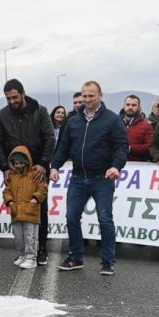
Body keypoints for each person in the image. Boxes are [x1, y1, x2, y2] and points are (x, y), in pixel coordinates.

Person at [50, 81, 128, 275]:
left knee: (104, 219)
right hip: (77, 178)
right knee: (71, 217)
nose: (87, 99)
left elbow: (121, 146)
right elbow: (63, 147)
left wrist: (116, 166)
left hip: (102, 179)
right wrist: (54, 166)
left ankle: (107, 262)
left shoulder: (112, 119)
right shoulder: (73, 121)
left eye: (91, 96)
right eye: (84, 96)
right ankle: (75, 258)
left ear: (100, 95)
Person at [0, 79, 55, 266]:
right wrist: (4, 166)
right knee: (18, 211)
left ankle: (40, 249)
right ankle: (24, 252)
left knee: (38, 210)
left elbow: (50, 138)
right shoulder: (2, 115)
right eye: (8, 98)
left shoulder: (41, 111)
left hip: (37, 168)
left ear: (22, 93)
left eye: (14, 97)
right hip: (16, 170)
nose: (12, 101)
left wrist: (43, 164)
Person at [3, 146, 48, 269]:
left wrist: (34, 200)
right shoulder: (13, 177)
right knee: (18, 237)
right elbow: (6, 191)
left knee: (30, 236)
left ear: (27, 162)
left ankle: (31, 258)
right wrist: (10, 202)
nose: (18, 166)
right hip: (16, 212)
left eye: (20, 163)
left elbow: (43, 188)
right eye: (15, 163)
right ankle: (22, 255)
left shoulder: (35, 175)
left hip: (31, 213)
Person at [121, 95, 153, 161]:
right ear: (124, 106)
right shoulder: (115, 123)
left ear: (139, 107)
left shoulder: (146, 126)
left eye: (134, 105)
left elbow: (150, 147)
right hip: (116, 165)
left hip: (138, 166)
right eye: (128, 104)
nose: (130, 107)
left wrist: (130, 148)